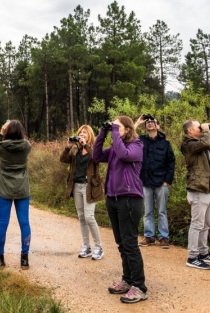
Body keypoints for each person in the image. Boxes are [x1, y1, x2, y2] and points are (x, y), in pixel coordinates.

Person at [93, 116, 148, 304]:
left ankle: (139, 287)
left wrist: (114, 132)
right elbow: (97, 156)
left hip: (130, 200)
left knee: (130, 243)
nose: (115, 129)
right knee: (121, 243)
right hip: (113, 199)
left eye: (118, 126)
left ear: (127, 129)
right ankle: (128, 280)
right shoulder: (116, 149)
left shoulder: (136, 145)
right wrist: (102, 133)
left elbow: (125, 155)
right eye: (114, 126)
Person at [181, 119, 210, 270]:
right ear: (190, 131)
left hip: (208, 188)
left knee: (206, 224)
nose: (201, 128)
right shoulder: (189, 145)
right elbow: (205, 143)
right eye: (198, 127)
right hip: (198, 189)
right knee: (197, 224)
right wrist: (205, 132)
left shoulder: (202, 142)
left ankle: (203, 252)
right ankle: (193, 256)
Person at [59, 125, 105, 260]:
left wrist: (86, 146)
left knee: (89, 217)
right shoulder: (75, 150)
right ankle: (86, 246)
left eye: (84, 133)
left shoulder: (94, 149)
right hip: (76, 186)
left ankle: (99, 247)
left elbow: (97, 159)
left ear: (89, 135)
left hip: (90, 187)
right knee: (81, 217)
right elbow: (63, 159)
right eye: (80, 133)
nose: (82, 134)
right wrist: (68, 146)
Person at [0, 119, 32, 270]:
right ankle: (24, 258)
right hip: (22, 188)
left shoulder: (2, 147)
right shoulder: (27, 146)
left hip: (4, 189)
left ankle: (0, 258)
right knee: (24, 223)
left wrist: (1, 134)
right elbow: (25, 142)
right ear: (21, 132)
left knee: (3, 222)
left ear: (6, 132)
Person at [134, 115, 176, 249]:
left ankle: (163, 237)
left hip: (161, 182)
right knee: (147, 211)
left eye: (153, 122)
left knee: (162, 211)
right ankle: (149, 236)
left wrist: (167, 181)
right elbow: (128, 138)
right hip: (145, 182)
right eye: (148, 122)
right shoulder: (140, 140)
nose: (150, 124)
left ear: (158, 126)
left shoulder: (165, 143)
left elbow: (171, 162)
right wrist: (138, 123)